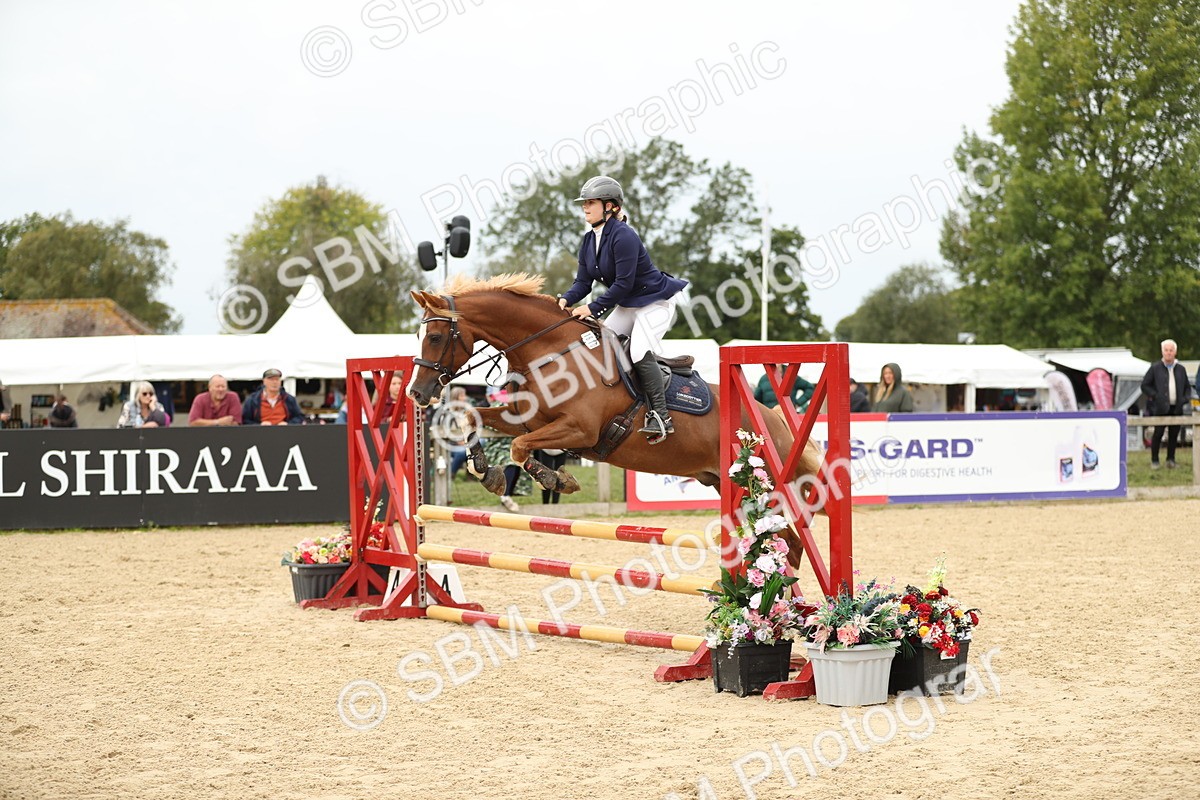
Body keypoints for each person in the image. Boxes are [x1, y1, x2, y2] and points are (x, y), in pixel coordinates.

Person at [557, 175, 688, 444]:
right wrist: (564, 300)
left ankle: (661, 417)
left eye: (591, 202)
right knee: (598, 346)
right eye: (584, 203)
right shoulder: (588, 240)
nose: (585, 207)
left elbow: (623, 283)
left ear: (611, 206)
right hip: (629, 304)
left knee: (638, 351)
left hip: (656, 302)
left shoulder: (623, 235)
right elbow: (583, 282)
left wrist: (592, 308)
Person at [1142, 338, 1190, 469]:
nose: (1168, 353)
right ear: (1162, 352)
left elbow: (1187, 387)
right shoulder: (1155, 368)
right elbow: (1145, 385)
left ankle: (1171, 460)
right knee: (1158, 434)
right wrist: (1155, 396)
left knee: (1174, 435)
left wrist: (1184, 399)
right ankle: (1155, 461)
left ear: (1175, 352)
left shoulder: (1181, 369)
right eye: (1166, 350)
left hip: (1177, 408)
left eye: (1171, 350)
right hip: (1160, 408)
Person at [482, 386, 531, 511]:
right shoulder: (497, 404)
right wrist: (508, 425)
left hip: (513, 445)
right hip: (496, 447)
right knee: (511, 462)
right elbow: (489, 424)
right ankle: (505, 495)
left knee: (520, 463)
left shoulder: (520, 405)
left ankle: (508, 494)